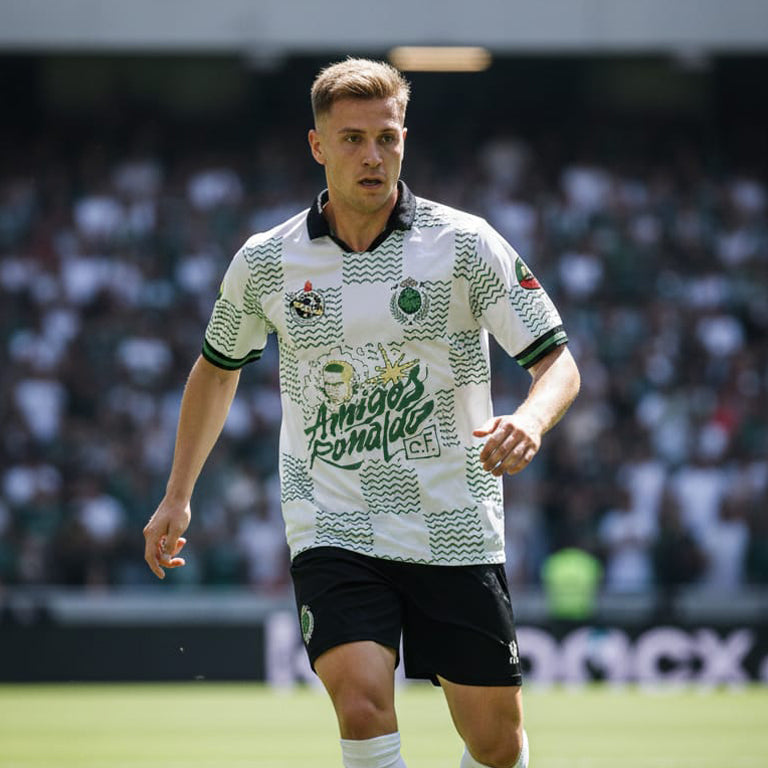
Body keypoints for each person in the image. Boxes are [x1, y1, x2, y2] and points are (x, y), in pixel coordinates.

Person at [144, 58, 580, 768]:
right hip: (332, 519)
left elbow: (558, 363)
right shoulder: (266, 261)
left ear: (405, 139)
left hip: (452, 519)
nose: (373, 156)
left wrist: (530, 420)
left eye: (387, 137)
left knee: (496, 745)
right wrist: (177, 494)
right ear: (318, 146)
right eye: (352, 139)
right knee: (361, 702)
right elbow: (217, 371)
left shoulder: (466, 245)